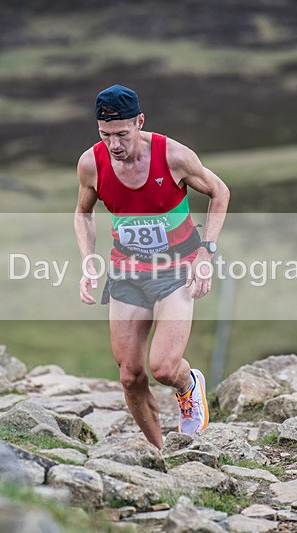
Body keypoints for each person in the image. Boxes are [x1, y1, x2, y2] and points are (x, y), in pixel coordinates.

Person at [75, 85, 230, 449]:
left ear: (140, 122)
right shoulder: (91, 164)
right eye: (105, 134)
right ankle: (160, 452)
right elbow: (83, 213)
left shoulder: (173, 155)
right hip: (127, 272)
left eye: (122, 134)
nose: (114, 144)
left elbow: (220, 191)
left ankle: (188, 385)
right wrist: (88, 262)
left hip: (176, 268)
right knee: (130, 375)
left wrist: (207, 252)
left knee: (162, 367)